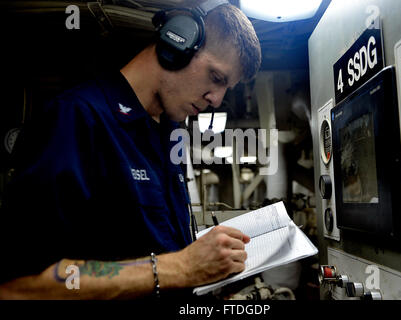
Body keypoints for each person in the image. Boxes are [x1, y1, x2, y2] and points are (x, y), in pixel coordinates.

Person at [0, 0, 261, 299]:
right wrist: (182, 267)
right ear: (177, 42)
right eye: (217, 78)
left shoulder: (170, 131)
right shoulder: (77, 118)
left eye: (227, 88)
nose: (217, 99)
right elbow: (21, 285)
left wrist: (207, 260)